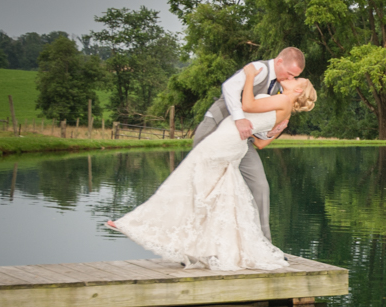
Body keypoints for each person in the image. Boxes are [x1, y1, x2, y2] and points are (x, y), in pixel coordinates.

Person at [107, 65, 316, 270]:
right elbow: (260, 143)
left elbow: (247, 104)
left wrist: (250, 76)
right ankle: (212, 248)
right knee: (219, 198)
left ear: (298, 90)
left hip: (222, 143)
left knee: (185, 185)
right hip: (232, 145)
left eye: (297, 79)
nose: (293, 78)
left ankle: (137, 225)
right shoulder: (284, 109)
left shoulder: (282, 99)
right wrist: (266, 132)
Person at [193, 48, 307, 242]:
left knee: (260, 186)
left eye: (294, 76)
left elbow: (258, 125)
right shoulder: (257, 69)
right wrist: (238, 119)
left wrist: (270, 133)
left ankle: (264, 243)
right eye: (289, 73)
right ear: (279, 61)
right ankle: (194, 245)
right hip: (215, 127)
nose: (290, 78)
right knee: (203, 184)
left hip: (242, 140)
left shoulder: (279, 89)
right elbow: (229, 87)